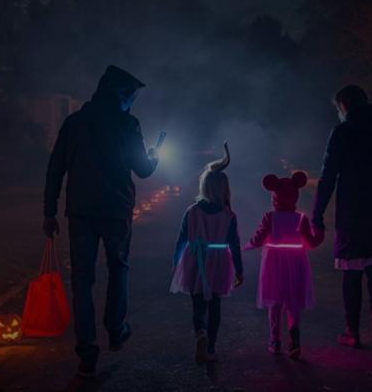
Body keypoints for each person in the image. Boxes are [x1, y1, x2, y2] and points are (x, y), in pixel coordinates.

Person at [43, 65, 159, 377]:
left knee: (82, 280)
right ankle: (116, 328)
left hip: (80, 211)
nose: (133, 102)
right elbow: (144, 170)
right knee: (118, 267)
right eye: (132, 96)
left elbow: (56, 168)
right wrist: (154, 157)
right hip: (116, 210)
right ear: (121, 95)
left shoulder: (74, 123)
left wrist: (49, 211)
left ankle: (87, 350)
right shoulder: (128, 124)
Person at [311, 85, 372, 352]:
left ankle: (352, 331)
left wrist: (317, 214)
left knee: (351, 270)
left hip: (352, 211)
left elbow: (328, 176)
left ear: (343, 105)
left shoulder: (342, 133)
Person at [170, 143, 244, 363]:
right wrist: (239, 270)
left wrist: (176, 262)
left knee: (198, 303)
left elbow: (182, 238)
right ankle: (210, 346)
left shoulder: (191, 211)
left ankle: (200, 332)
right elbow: (235, 244)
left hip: (195, 259)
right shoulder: (229, 215)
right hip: (219, 261)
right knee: (215, 304)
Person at [245, 171, 323, 359]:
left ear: (274, 195)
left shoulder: (270, 217)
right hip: (296, 261)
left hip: (273, 261)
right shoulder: (301, 218)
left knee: (274, 300)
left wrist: (247, 245)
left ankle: (275, 340)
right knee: (293, 301)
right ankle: (294, 338)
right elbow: (311, 243)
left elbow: (259, 237)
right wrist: (319, 232)